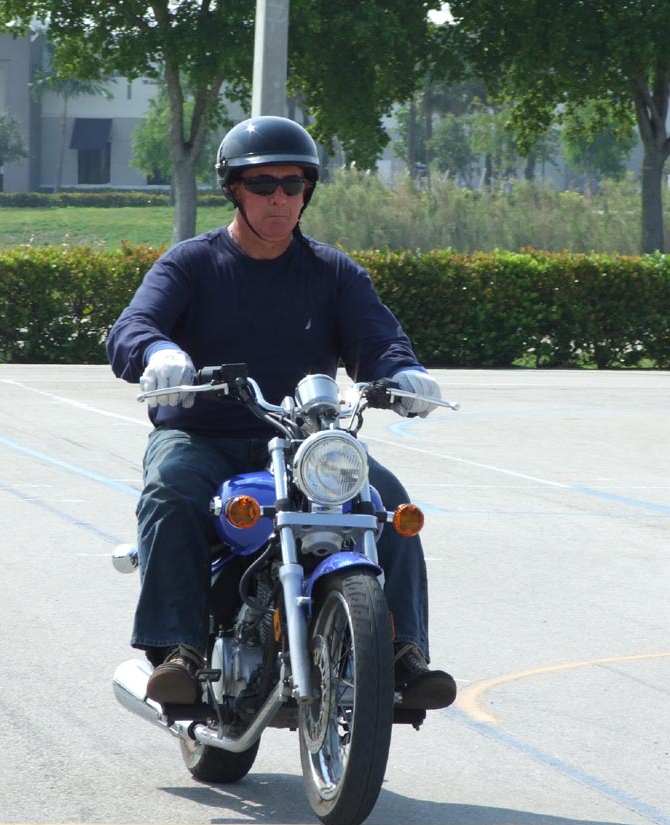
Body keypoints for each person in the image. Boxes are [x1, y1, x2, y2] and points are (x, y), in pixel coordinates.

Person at [106, 116, 456, 710]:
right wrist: (157, 351)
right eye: (262, 184)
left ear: (307, 192)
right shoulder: (190, 264)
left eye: (292, 184)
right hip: (202, 435)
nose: (278, 198)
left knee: (387, 501)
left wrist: (403, 372)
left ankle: (401, 651)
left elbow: (378, 342)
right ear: (234, 190)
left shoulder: (333, 273)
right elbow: (133, 326)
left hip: (302, 442)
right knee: (169, 491)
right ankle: (178, 651)